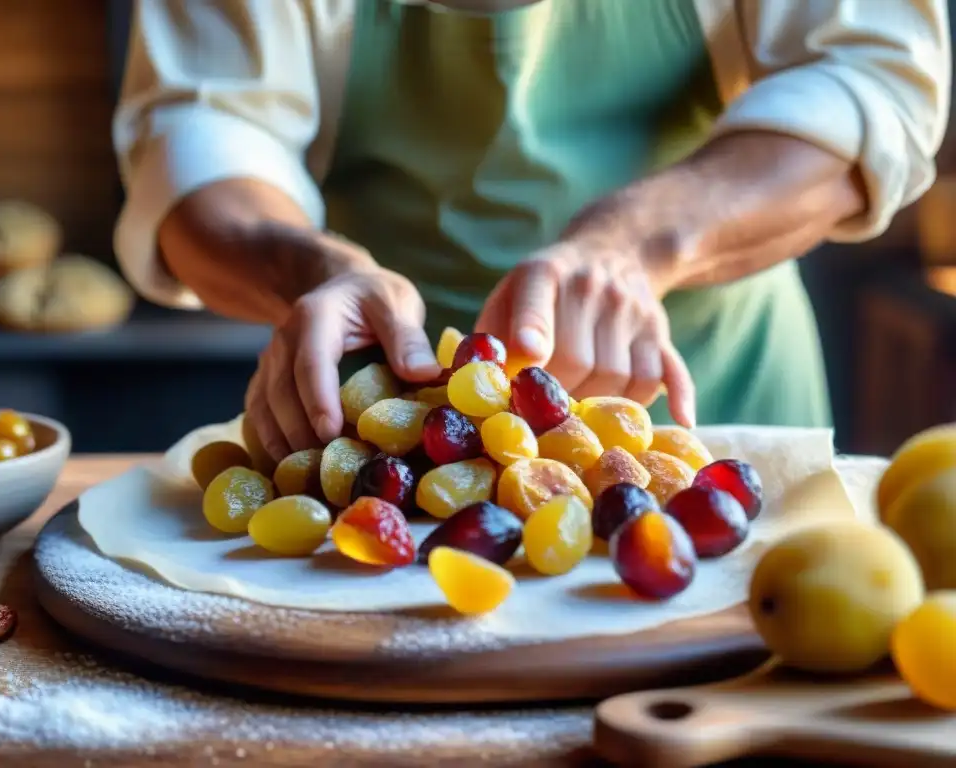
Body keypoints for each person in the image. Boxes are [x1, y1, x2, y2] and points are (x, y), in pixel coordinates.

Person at [113, 0, 950, 462]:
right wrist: (312, 272)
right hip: (396, 439)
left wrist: (635, 244)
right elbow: (202, 138)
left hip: (723, 393)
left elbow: (870, 79)